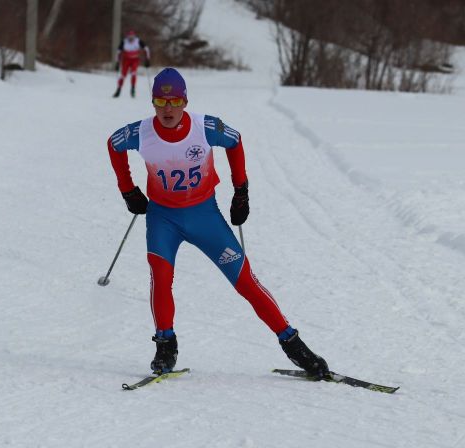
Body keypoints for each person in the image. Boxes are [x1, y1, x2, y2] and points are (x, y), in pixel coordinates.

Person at [106, 68, 330, 379]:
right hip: (163, 218)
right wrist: (127, 189)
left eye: (174, 101)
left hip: (204, 216)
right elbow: (113, 144)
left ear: (185, 101)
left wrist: (241, 191)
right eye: (160, 101)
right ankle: (165, 345)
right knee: (160, 277)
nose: (168, 109)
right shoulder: (141, 132)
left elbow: (235, 141)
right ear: (153, 102)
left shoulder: (204, 127)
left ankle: (294, 345)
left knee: (245, 280)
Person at [113, 30, 151, 98]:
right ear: (127, 37)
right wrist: (117, 62)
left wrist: (147, 60)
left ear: (134, 36)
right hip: (126, 60)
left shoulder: (138, 41)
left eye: (132, 37)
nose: (131, 38)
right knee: (123, 75)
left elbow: (146, 49)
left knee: (133, 73)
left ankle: (133, 89)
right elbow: (118, 52)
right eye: (129, 37)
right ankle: (118, 90)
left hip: (135, 60)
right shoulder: (124, 41)